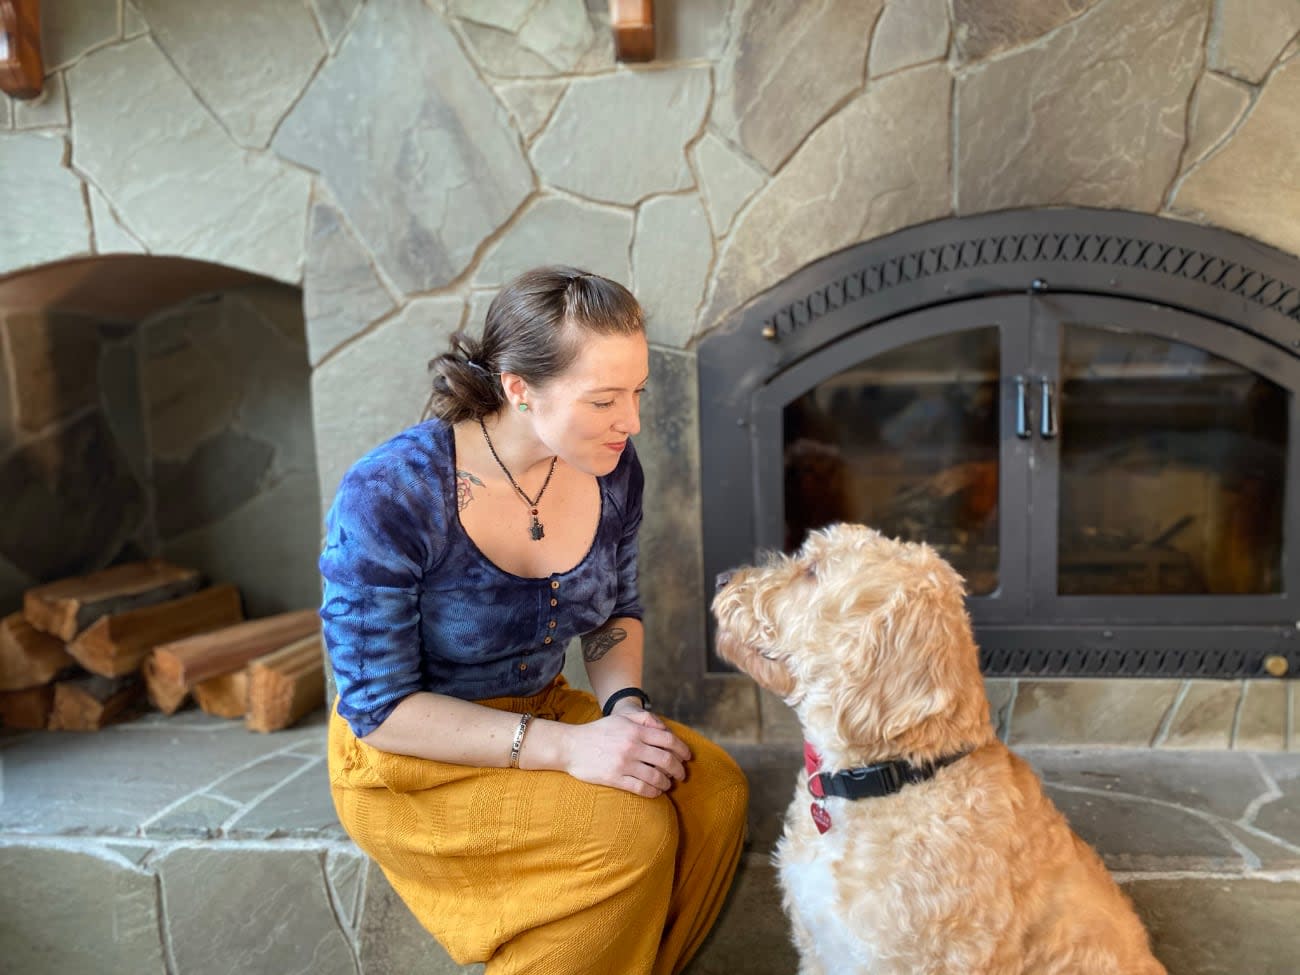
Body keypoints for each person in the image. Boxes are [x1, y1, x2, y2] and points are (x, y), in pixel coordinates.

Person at [321, 266, 750, 975]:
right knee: (627, 832)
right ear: (519, 389)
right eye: (605, 398)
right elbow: (379, 708)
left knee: (714, 791)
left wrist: (625, 713)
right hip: (412, 753)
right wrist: (572, 749)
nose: (633, 421)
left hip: (542, 706)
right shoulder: (389, 494)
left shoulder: (614, 469)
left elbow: (615, 611)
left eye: (637, 393)